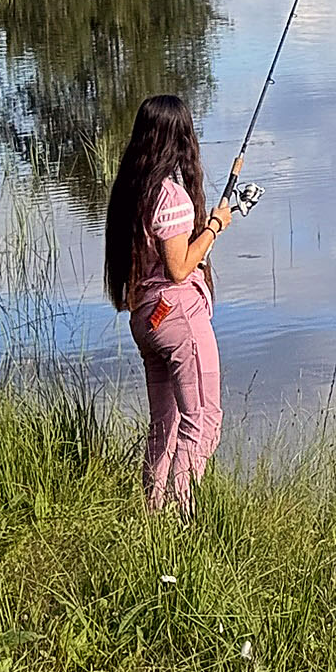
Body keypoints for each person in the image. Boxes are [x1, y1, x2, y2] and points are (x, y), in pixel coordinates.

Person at [102, 94, 232, 513]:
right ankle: (181, 517)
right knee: (204, 420)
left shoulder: (131, 192)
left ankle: (152, 514)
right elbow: (178, 269)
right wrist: (215, 226)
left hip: (146, 319)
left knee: (166, 423)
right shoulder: (171, 197)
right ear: (180, 138)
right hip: (178, 318)